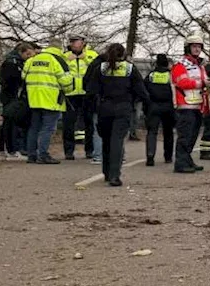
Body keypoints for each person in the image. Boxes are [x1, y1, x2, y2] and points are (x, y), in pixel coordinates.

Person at [85, 43, 149, 187]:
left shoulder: (100, 69)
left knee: (106, 140)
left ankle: (107, 172)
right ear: (124, 54)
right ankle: (114, 175)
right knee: (117, 141)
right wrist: (142, 104)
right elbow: (141, 91)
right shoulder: (130, 69)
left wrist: (90, 108)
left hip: (104, 108)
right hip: (123, 107)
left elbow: (90, 90)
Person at [23, 43, 74, 164]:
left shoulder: (32, 59)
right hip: (51, 99)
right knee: (48, 129)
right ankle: (43, 155)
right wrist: (68, 90)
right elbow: (65, 80)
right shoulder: (58, 60)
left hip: (34, 99)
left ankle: (31, 155)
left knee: (34, 127)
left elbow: (23, 76)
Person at [171, 34, 208, 173]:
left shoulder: (199, 65)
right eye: (194, 46)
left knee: (193, 135)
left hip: (197, 105)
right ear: (188, 48)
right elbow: (181, 82)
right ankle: (180, 163)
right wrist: (201, 83)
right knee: (185, 135)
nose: (197, 49)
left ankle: (187, 159)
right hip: (184, 105)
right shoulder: (181, 64)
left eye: (199, 47)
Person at [62, 34, 99, 161]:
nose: (74, 44)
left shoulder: (92, 54)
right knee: (68, 123)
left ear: (83, 43)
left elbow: (98, 68)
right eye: (71, 42)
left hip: (87, 93)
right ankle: (68, 151)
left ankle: (89, 150)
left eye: (76, 41)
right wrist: (69, 60)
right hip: (70, 94)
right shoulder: (65, 56)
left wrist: (85, 59)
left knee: (89, 123)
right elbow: (59, 70)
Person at [0, 42, 36, 161]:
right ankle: (11, 151)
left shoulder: (14, 62)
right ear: (21, 52)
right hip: (12, 97)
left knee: (7, 124)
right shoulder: (12, 63)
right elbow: (11, 81)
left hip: (10, 97)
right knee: (11, 124)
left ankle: (2, 151)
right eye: (28, 54)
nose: (30, 57)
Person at [144, 54, 176, 166]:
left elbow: (144, 91)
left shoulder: (151, 75)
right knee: (168, 132)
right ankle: (168, 157)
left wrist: (146, 107)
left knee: (152, 132)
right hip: (168, 106)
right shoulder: (171, 75)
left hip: (153, 106)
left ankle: (150, 156)